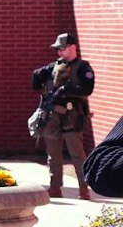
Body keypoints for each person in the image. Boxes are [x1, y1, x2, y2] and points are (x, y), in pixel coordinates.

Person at [32, 33, 97, 199]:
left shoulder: (83, 68)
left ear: (72, 47)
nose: (59, 52)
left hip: (72, 116)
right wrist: (37, 77)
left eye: (62, 48)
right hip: (53, 115)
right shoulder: (54, 66)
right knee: (53, 154)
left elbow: (87, 89)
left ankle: (84, 188)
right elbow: (37, 80)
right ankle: (55, 187)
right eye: (57, 49)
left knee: (77, 153)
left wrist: (66, 91)